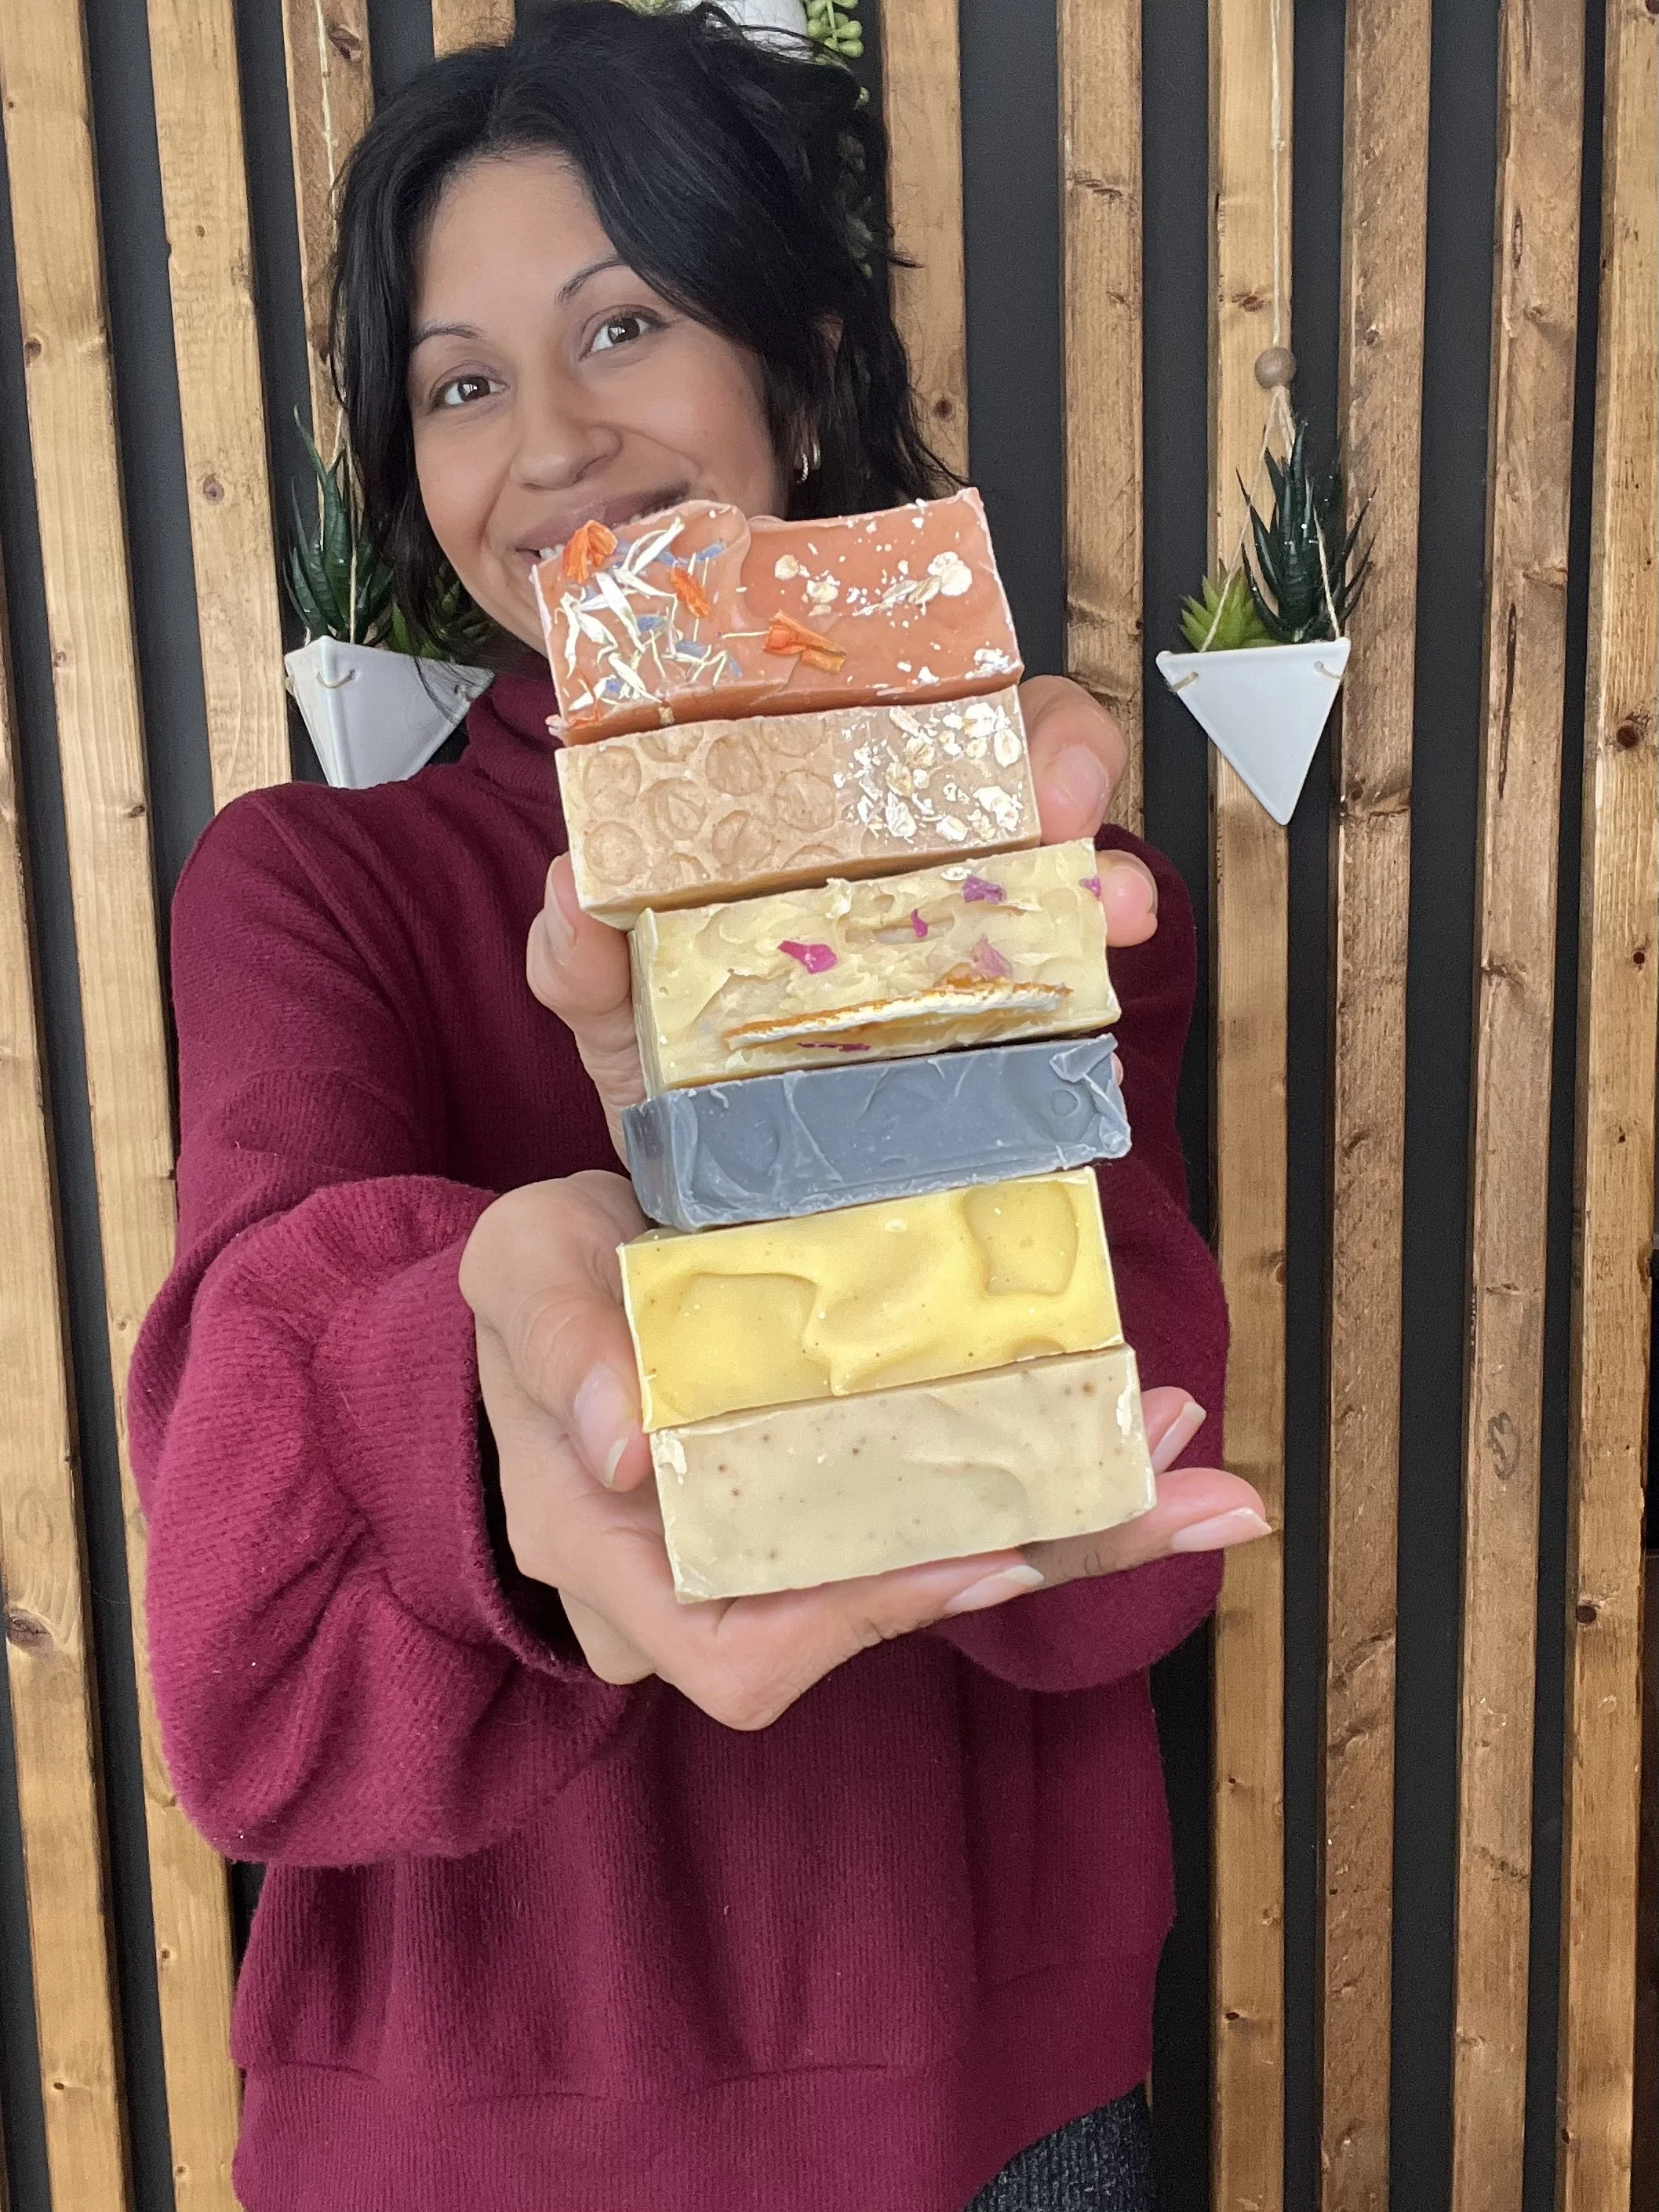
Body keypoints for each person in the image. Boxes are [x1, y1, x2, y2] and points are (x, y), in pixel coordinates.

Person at [129, 7, 1269, 2207]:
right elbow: (245, 1660)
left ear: (802, 358)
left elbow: (1101, 1572)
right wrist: (488, 1382)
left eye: (621, 324)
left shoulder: (1032, 861)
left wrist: (878, 1003)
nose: (547, 442)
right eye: (461, 382)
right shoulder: (308, 892)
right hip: (462, 2141)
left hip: (994, 2117)